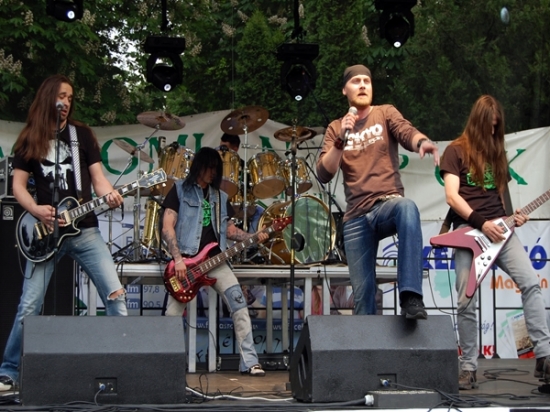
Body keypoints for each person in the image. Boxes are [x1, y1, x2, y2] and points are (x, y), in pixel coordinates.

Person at [0, 74, 127, 392]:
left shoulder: (81, 135)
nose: (67, 102)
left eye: (70, 97)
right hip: (46, 233)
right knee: (29, 305)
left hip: (85, 230)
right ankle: (9, 370)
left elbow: (98, 179)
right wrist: (36, 209)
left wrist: (110, 195)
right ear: (48, 98)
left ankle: (124, 367)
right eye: (61, 96)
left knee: (116, 295)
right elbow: (18, 186)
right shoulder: (30, 137)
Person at [439, 94, 550, 389]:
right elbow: (451, 197)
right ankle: (468, 367)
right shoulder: (455, 150)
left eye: (496, 126)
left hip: (501, 232)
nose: (492, 130)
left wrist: (514, 218)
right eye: (489, 125)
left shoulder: (497, 153)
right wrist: (482, 223)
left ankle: (544, 356)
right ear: (477, 122)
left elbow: (503, 198)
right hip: (470, 231)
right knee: (466, 300)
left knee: (531, 283)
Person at [316, 64, 439, 319]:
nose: (363, 85)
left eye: (367, 81)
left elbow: (406, 131)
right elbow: (324, 173)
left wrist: (421, 141)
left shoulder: (384, 113)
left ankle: (411, 297)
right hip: (356, 217)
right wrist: (341, 139)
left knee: (407, 207)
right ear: (344, 90)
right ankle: (367, 343)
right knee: (364, 299)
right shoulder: (335, 127)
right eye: (356, 81)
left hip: (386, 205)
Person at [161, 147, 269, 376]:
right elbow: (167, 226)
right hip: (186, 261)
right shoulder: (179, 190)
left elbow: (229, 230)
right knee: (172, 315)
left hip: (216, 260)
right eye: (209, 167)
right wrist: (178, 259)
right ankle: (166, 364)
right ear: (199, 166)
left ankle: (250, 362)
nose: (213, 173)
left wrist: (253, 237)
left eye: (216, 169)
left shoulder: (220, 197)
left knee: (239, 305)